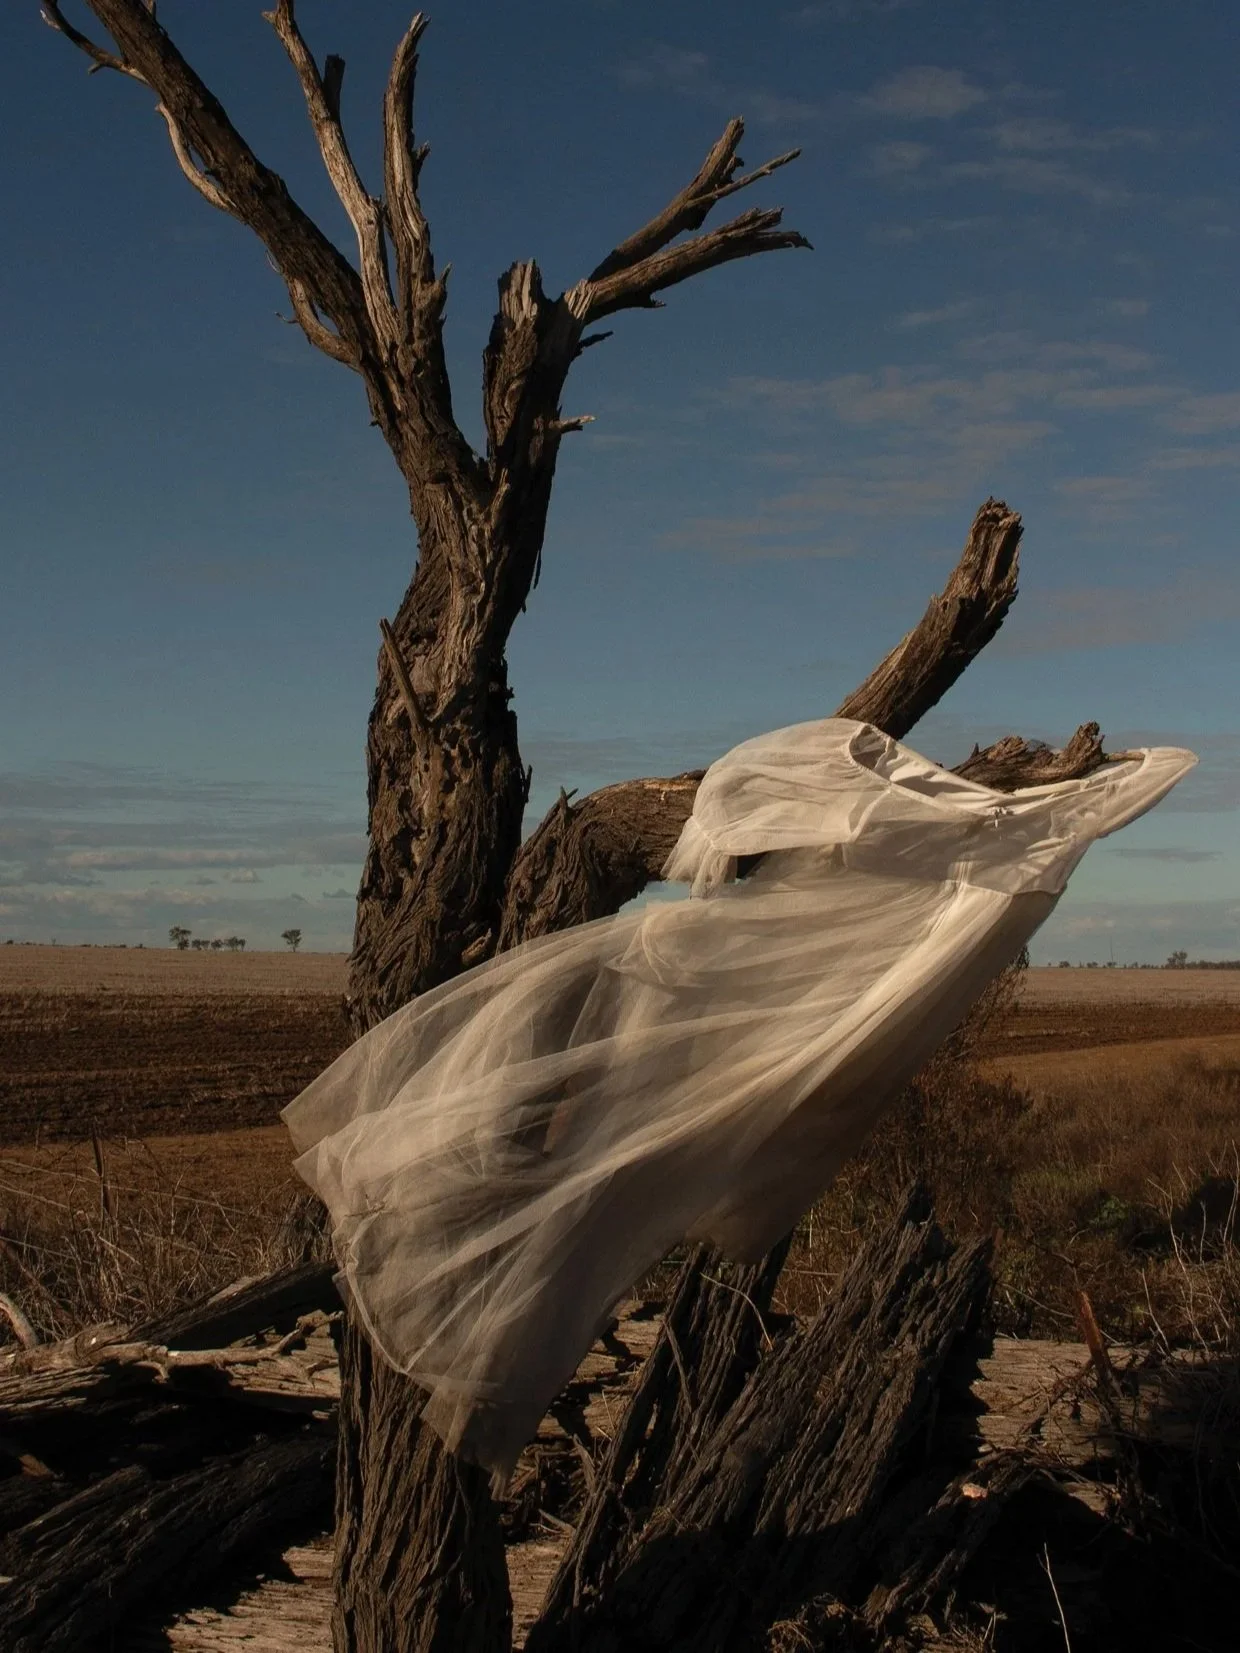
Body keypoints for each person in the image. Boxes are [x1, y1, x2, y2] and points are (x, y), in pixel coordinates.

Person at [283, 718, 1196, 1482]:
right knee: (592, 1152)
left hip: (773, 990)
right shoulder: (852, 779)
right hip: (717, 974)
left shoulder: (959, 842)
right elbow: (728, 814)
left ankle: (485, 1316)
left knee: (618, 1175)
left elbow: (733, 814)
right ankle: (452, 1264)